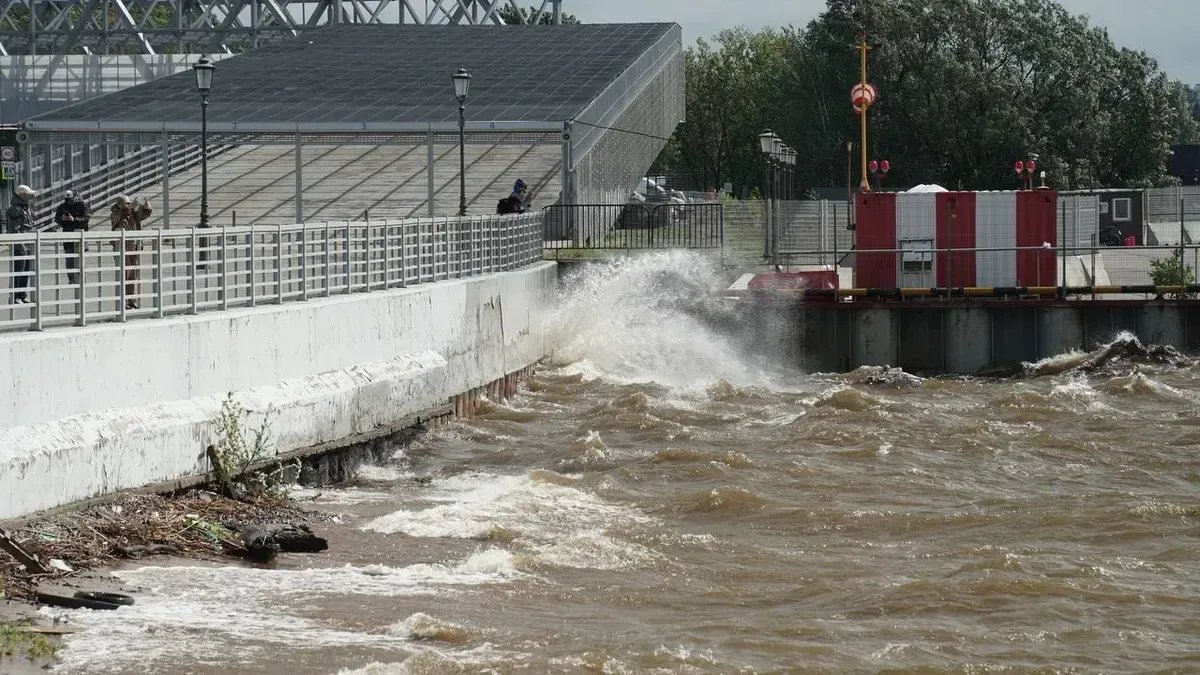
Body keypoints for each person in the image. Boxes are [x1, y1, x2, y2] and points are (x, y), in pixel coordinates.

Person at [110, 195, 152, 309]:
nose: (128, 205)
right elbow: (118, 218)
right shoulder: (115, 213)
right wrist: (130, 208)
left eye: (129, 203)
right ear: (119, 204)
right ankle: (123, 300)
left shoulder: (132, 212)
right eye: (126, 203)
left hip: (133, 246)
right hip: (121, 246)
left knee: (133, 274)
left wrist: (146, 207)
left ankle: (131, 299)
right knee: (124, 274)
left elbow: (143, 215)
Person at [5, 184, 36, 304]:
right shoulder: (15, 209)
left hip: (27, 244)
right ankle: (14, 296)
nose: (29, 197)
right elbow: (14, 229)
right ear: (21, 195)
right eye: (27, 195)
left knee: (26, 271)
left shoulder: (25, 208)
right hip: (20, 245)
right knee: (18, 271)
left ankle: (21, 295)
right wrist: (20, 245)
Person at [55, 189, 90, 286]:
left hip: (80, 235)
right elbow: (57, 218)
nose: (69, 202)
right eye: (67, 200)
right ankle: (71, 278)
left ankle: (81, 279)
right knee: (69, 258)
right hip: (68, 235)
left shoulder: (82, 205)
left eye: (70, 199)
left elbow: (86, 218)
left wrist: (74, 219)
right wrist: (62, 219)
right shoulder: (62, 206)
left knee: (80, 259)